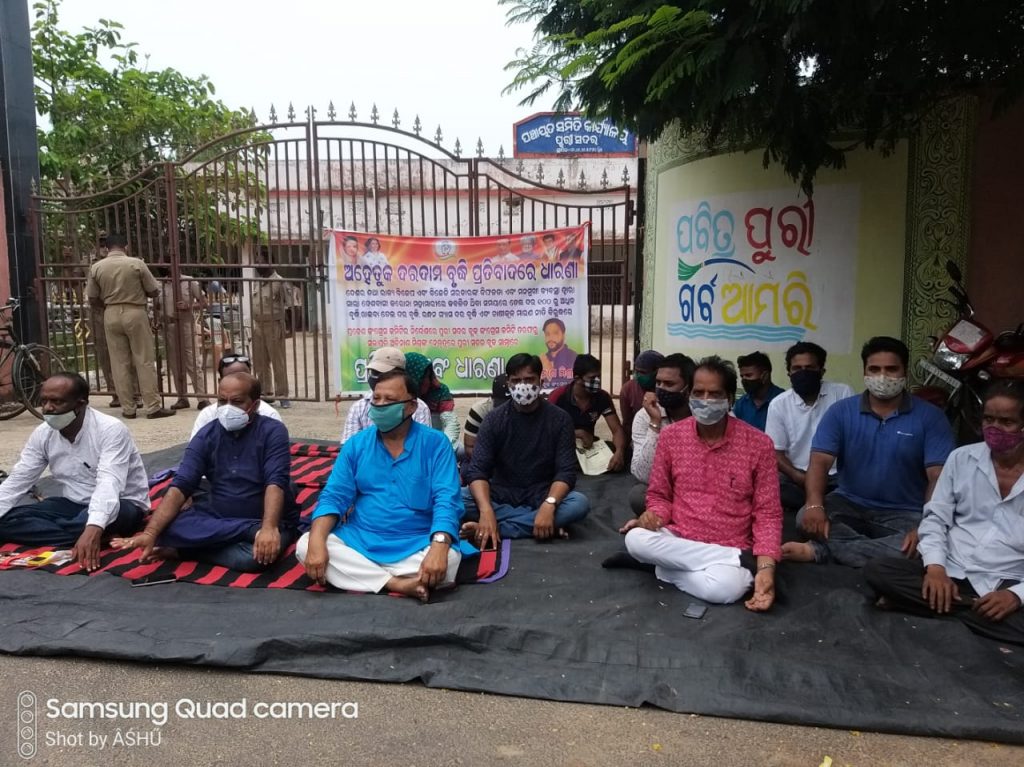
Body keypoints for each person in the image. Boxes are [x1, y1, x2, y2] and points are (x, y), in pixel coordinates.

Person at [863, 380, 1024, 645]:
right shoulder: (962, 458)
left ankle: (927, 604)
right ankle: (971, 609)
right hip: (952, 566)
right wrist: (936, 569)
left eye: (1006, 422)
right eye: (989, 419)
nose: (994, 428)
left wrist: (1016, 596)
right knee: (878, 570)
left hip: (1006, 579)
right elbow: (936, 518)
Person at [621, 356, 782, 610]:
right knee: (635, 539)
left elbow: (768, 513)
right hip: (681, 534)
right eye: (698, 393)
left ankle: (662, 568)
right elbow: (660, 495)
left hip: (730, 540)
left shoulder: (759, 445)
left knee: (724, 589)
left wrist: (766, 567)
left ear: (730, 398)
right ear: (689, 395)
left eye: (714, 394)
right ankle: (736, 559)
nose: (705, 400)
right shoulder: (672, 437)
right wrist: (655, 515)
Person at [783, 336, 956, 567]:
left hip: (906, 513)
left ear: (904, 371)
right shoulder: (840, 412)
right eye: (874, 369)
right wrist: (815, 504)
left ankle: (822, 551)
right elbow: (819, 463)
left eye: (891, 369)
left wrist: (927, 523)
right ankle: (875, 555)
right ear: (864, 371)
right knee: (805, 517)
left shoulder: (931, 417)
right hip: (848, 503)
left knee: (927, 543)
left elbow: (938, 476)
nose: (882, 377)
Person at [296, 368, 462, 601]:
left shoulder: (436, 444)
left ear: (411, 407)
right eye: (376, 398)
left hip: (416, 542)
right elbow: (334, 496)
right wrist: (316, 541)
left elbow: (447, 499)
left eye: (389, 400)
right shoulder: (356, 445)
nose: (380, 405)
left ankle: (367, 576)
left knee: (449, 559)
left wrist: (439, 546)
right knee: (305, 546)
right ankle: (397, 583)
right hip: (361, 539)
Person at [112, 372, 299, 572]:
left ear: (255, 405)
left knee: (254, 559)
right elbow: (182, 484)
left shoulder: (273, 431)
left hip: (261, 516)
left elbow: (275, 482)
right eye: (222, 401)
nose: (227, 408)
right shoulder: (207, 434)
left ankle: (188, 551)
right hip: (218, 514)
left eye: (236, 402)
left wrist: (269, 528)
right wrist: (150, 533)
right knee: (168, 527)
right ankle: (244, 535)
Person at [0, 373, 148, 571]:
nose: (47, 408)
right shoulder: (43, 433)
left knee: (89, 521)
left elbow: (109, 483)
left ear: (80, 404)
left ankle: (86, 532)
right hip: (72, 504)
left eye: (57, 402)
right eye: (43, 401)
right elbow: (19, 479)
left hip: (121, 504)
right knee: (7, 519)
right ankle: (91, 535)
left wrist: (94, 527)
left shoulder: (110, 430)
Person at [461, 353, 590, 544]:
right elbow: (478, 470)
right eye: (516, 380)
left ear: (541, 382)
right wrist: (486, 510)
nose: (523, 386)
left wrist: (549, 504)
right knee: (456, 498)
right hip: (501, 493)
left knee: (578, 503)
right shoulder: (494, 420)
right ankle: (542, 525)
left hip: (542, 494)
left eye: (529, 379)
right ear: (508, 384)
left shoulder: (560, 419)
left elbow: (566, 472)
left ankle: (494, 528)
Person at [85, 232, 175, 420]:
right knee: (144, 360)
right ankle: (152, 407)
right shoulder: (136, 264)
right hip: (135, 311)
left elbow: (92, 298)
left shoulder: (97, 267)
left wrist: (108, 305)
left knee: (119, 363)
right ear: (125, 246)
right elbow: (154, 290)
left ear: (107, 248)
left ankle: (128, 408)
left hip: (110, 313)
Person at [765, 342, 854, 511]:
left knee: (856, 489)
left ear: (822, 371)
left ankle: (816, 505)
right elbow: (776, 454)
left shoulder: (842, 394)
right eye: (797, 368)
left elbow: (855, 441)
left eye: (809, 368)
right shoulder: (778, 404)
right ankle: (821, 504)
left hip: (837, 476)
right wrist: (799, 477)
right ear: (789, 373)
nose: (803, 372)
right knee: (772, 487)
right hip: (797, 477)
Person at [629, 353, 695, 515]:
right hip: (665, 488)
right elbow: (642, 474)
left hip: (698, 488)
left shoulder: (704, 415)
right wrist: (655, 423)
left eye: (669, 384)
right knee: (638, 496)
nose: (661, 389)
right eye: (658, 383)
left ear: (688, 388)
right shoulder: (645, 416)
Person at [548, 354, 626, 473]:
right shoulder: (558, 396)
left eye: (599, 376)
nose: (597, 381)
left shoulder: (602, 397)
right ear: (577, 378)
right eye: (592, 378)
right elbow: (546, 431)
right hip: (563, 447)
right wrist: (577, 433)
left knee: (621, 452)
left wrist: (619, 452)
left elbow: (616, 430)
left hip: (589, 448)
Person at [341, 347, 432, 444]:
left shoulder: (418, 407)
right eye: (373, 372)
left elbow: (423, 445)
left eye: (382, 373)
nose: (377, 377)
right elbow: (349, 446)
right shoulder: (358, 407)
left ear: (399, 374)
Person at [190, 351, 282, 439]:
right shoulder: (208, 416)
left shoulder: (269, 415)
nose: (236, 383)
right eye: (230, 379)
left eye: (243, 378)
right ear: (220, 381)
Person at [160, 268, 210, 411]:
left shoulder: (189, 281)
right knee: (175, 364)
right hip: (169, 326)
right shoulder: (161, 283)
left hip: (186, 324)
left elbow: (204, 302)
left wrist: (189, 306)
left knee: (192, 361)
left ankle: (202, 398)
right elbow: (157, 306)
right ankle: (182, 397)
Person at [251, 265, 291, 408]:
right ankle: (266, 393)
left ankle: (283, 395)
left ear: (269, 262)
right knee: (260, 362)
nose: (257, 264)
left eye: (260, 260)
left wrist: (290, 328)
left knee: (278, 362)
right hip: (258, 325)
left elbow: (290, 306)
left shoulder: (279, 281)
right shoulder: (257, 282)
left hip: (274, 325)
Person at [403, 352, 459, 449]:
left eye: (429, 376)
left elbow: (451, 423)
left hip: (439, 442)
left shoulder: (440, 391)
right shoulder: (400, 394)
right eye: (423, 378)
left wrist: (445, 448)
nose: (427, 381)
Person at [619, 350, 664, 452]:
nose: (638, 376)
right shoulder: (628, 389)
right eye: (636, 371)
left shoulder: (665, 390)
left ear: (657, 372)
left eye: (643, 372)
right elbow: (627, 423)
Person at [733, 351, 785, 431]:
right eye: (742, 376)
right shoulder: (741, 404)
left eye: (748, 375)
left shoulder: (783, 401)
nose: (744, 380)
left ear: (765, 376)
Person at [463, 374, 510, 462]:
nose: (505, 409)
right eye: (502, 405)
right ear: (492, 398)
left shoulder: (528, 410)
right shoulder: (480, 410)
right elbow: (469, 447)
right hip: (485, 459)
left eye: (510, 404)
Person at [540, 317, 577, 390]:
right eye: (547, 334)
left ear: (564, 335)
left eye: (555, 333)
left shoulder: (574, 357)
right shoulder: (542, 360)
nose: (551, 338)